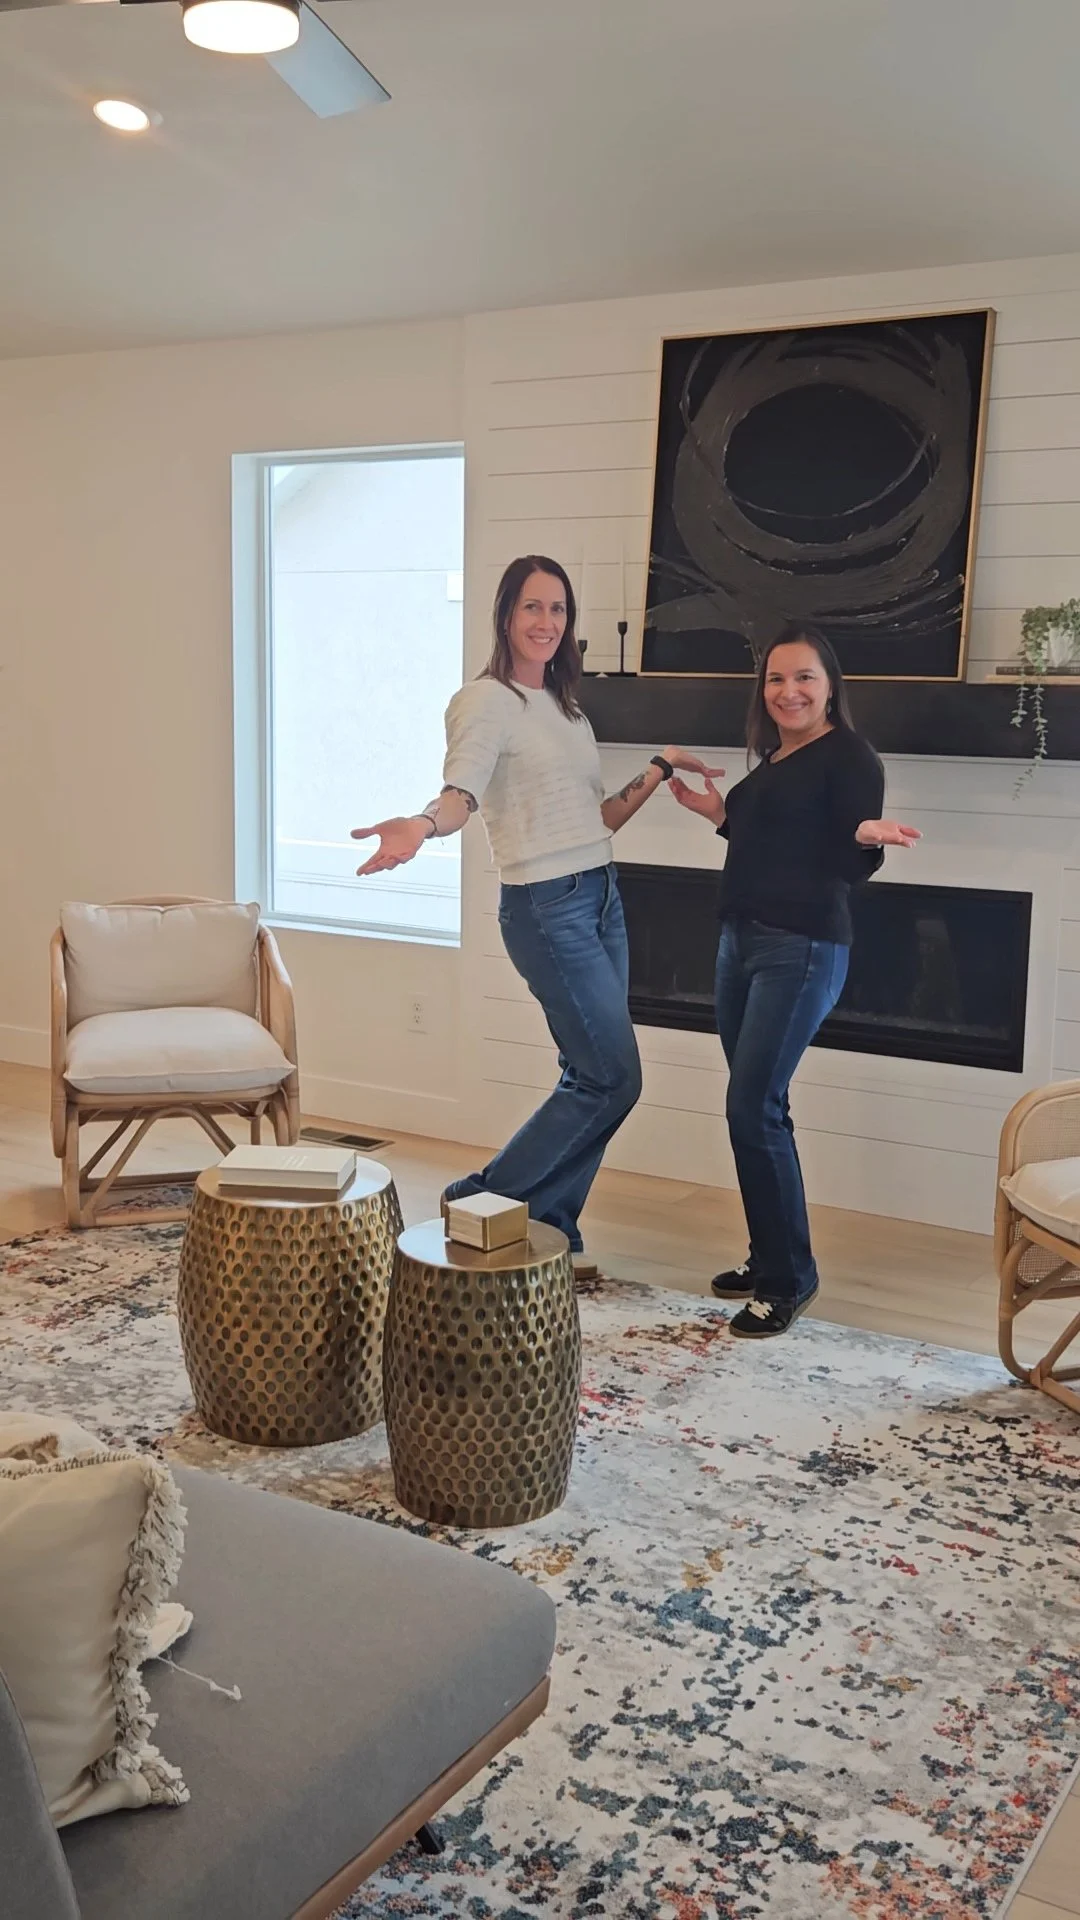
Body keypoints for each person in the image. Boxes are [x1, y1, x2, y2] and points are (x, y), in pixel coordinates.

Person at [351, 553, 721, 1280]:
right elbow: (461, 791)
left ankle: (550, 1231)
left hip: (601, 896)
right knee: (614, 1079)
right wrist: (422, 827)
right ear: (505, 616)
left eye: (558, 610)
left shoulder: (567, 709)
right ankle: (479, 1200)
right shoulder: (483, 702)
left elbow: (596, 818)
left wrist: (659, 768)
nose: (546, 622)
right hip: (545, 907)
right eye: (532, 608)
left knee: (590, 1075)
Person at [669, 622, 921, 1340]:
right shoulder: (778, 759)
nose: (789, 691)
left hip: (802, 948)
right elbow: (769, 842)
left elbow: (843, 857)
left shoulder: (851, 757)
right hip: (739, 942)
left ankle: (789, 1281)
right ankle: (770, 1253)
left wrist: (866, 838)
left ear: (831, 684)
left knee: (753, 1106)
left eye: (804, 677)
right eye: (776, 679)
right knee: (758, 1109)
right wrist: (717, 813)